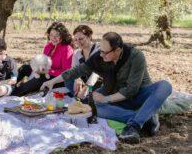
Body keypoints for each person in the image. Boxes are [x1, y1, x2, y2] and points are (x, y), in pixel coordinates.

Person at [41, 32, 172, 143]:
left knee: (165, 86)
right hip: (119, 99)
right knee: (92, 106)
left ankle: (134, 126)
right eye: (101, 51)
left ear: (118, 50)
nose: (101, 55)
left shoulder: (135, 56)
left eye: (105, 53)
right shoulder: (100, 56)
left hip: (138, 96)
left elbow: (131, 90)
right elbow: (77, 70)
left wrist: (106, 99)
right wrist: (52, 82)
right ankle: (145, 117)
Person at [11, 22, 74, 96]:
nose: (53, 38)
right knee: (24, 68)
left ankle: (14, 93)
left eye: (57, 35)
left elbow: (66, 72)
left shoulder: (67, 49)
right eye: (51, 35)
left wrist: (49, 71)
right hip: (45, 72)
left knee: (38, 80)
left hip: (58, 79)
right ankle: (11, 84)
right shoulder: (48, 46)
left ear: (62, 36)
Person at [65, 25, 100, 97]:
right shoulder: (77, 53)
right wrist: (77, 79)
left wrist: (86, 88)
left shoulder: (98, 49)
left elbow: (96, 74)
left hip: (98, 81)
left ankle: (86, 98)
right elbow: (74, 70)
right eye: (76, 40)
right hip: (86, 79)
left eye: (81, 39)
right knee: (68, 80)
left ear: (89, 37)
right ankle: (81, 97)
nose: (78, 42)